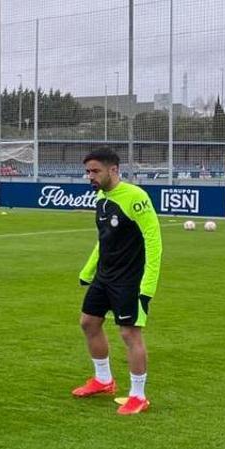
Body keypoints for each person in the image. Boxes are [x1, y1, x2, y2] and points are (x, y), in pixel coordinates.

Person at [72, 147, 163, 415]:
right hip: (104, 276)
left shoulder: (136, 197)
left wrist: (147, 287)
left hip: (130, 280)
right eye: (87, 171)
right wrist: (88, 271)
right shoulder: (101, 197)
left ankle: (138, 395)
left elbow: (154, 242)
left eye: (95, 171)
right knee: (88, 323)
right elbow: (104, 241)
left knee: (129, 333)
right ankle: (103, 380)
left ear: (113, 170)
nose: (90, 176)